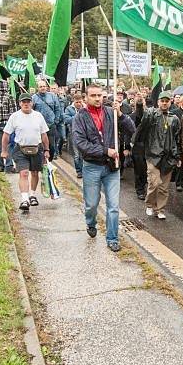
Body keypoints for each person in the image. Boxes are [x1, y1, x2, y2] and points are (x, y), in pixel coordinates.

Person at [71, 83, 136, 251]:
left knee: (114, 206)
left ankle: (112, 238)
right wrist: (106, 151)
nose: (98, 98)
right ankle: (90, 222)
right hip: (92, 167)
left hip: (112, 168)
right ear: (86, 98)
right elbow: (81, 144)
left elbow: (131, 129)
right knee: (92, 204)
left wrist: (121, 115)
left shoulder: (111, 112)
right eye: (93, 95)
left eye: (100, 95)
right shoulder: (80, 117)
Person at [133, 91, 181, 220]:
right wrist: (139, 104)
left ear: (170, 102)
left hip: (169, 157)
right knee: (154, 182)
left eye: (167, 101)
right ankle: (150, 204)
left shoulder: (175, 119)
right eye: (162, 101)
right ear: (158, 102)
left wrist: (177, 156)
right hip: (153, 155)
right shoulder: (151, 114)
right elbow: (141, 118)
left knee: (164, 187)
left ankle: (160, 209)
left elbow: (177, 139)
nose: (164, 103)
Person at [1, 93, 50, 211]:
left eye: (28, 102)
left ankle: (32, 195)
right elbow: (6, 134)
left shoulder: (38, 116)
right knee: (24, 173)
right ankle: (24, 199)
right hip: (20, 149)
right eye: (23, 102)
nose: (26, 104)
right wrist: (4, 150)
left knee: (34, 173)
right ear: (20, 104)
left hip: (36, 148)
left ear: (32, 103)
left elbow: (44, 134)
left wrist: (47, 149)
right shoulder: (15, 116)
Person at [0, 80, 19, 173]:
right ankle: (9, 165)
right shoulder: (10, 97)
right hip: (8, 125)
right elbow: (14, 113)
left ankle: (0, 165)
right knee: (10, 145)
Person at [32, 80, 64, 160]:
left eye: (44, 86)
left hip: (50, 125)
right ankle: (42, 162)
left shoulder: (52, 96)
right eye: (40, 86)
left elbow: (57, 109)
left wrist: (56, 120)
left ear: (46, 87)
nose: (42, 88)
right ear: (37, 88)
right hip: (39, 126)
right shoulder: (34, 98)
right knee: (40, 145)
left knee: (51, 146)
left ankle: (50, 160)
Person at [171, 94, 183, 192]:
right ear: (181, 102)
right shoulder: (175, 113)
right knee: (179, 162)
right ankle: (178, 182)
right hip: (178, 140)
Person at [131, 91, 149, 199]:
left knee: (148, 169)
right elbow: (139, 116)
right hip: (137, 146)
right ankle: (140, 189)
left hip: (149, 146)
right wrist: (127, 147)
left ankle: (146, 185)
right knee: (139, 169)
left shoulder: (150, 114)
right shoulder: (132, 116)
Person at [63, 93, 85, 178]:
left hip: (84, 134)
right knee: (76, 155)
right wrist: (77, 117)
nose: (79, 104)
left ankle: (84, 170)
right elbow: (66, 119)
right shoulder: (69, 109)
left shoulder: (85, 108)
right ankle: (79, 171)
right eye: (77, 102)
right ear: (74, 102)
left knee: (83, 154)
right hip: (74, 133)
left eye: (80, 102)